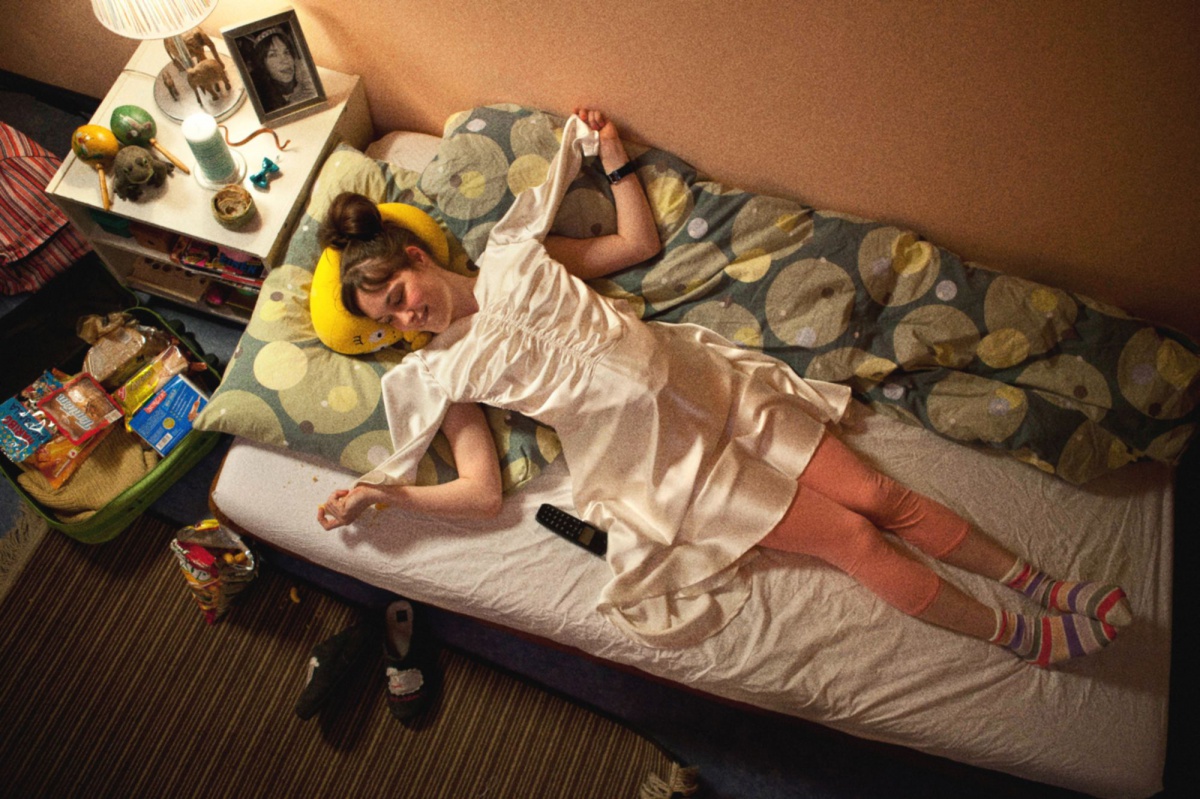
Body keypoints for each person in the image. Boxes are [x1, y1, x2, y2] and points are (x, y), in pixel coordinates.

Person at [316, 109, 1131, 667]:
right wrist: (386, 495)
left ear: (415, 258)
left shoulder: (513, 254)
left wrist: (611, 155)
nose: (409, 318)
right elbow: (482, 490)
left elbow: (635, 242)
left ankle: (1043, 585)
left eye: (399, 297)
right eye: (391, 322)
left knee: (878, 493)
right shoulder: (441, 371)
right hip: (664, 464)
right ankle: (1017, 634)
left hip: (712, 386)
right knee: (853, 539)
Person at [246, 28, 316, 113]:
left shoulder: (307, 81)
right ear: (263, 64)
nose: (285, 60)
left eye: (286, 52)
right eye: (273, 55)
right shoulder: (261, 101)